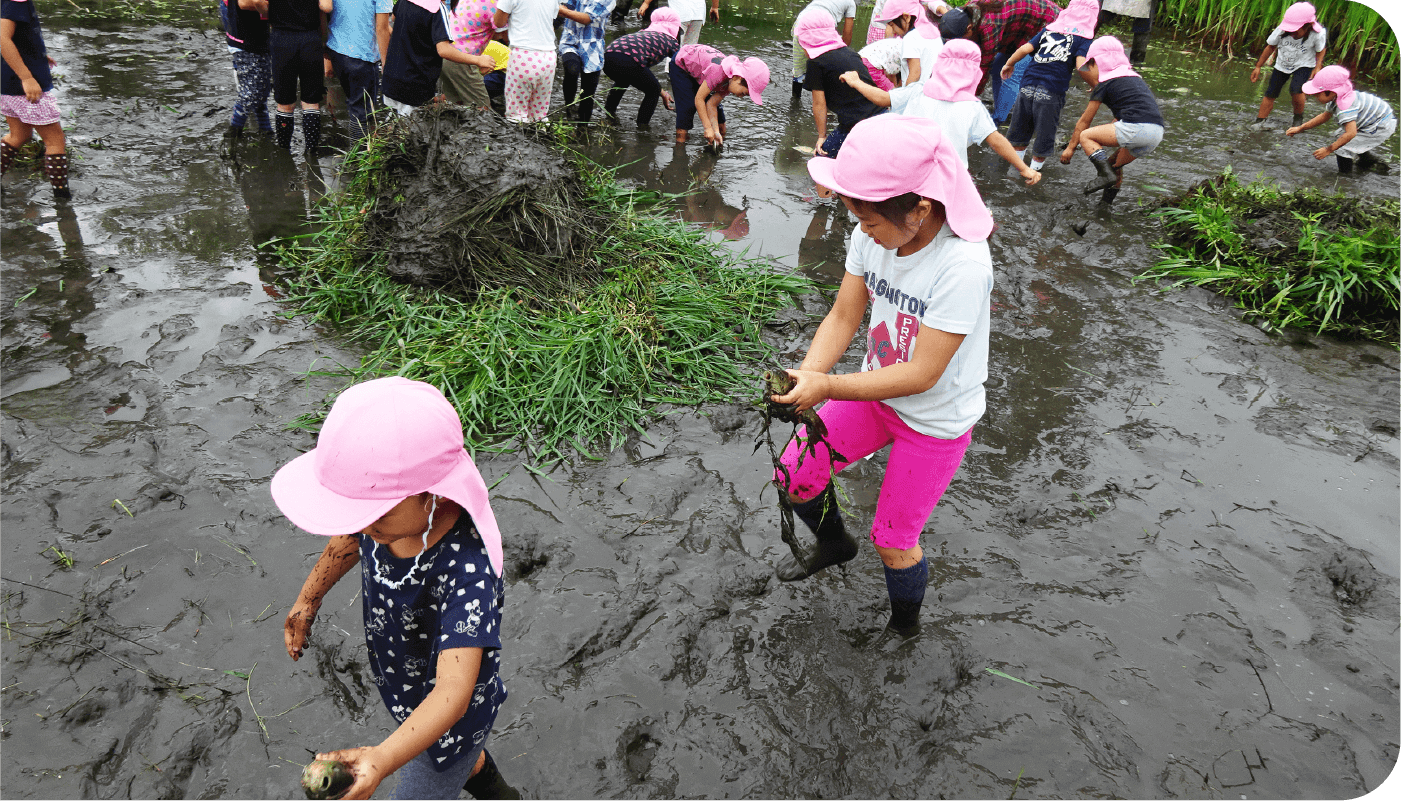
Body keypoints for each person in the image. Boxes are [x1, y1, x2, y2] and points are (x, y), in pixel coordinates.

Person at [776, 114, 995, 640]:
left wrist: (827, 387)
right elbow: (844, 315)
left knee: (894, 538)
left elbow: (921, 374)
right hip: (876, 394)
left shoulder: (963, 266)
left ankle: (905, 628)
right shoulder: (870, 234)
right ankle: (834, 545)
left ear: (919, 210)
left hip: (935, 420)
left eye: (870, 221)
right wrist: (809, 376)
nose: (863, 231)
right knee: (795, 472)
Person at [275, 377, 519, 801]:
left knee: (444, 762)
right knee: (465, 760)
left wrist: (383, 759)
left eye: (372, 515)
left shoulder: (468, 570)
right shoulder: (385, 516)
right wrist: (307, 601)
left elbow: (452, 691)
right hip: (405, 681)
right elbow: (348, 540)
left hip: (452, 715)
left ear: (435, 496)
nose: (363, 525)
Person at [839, 39, 1041, 185]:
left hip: (909, 167)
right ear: (974, 72)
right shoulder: (972, 107)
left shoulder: (917, 91)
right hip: (948, 176)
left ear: (939, 64)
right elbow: (996, 140)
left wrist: (857, 83)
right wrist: (1023, 168)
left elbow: (882, 98)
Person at [1060, 35, 1165, 203]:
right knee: (1114, 165)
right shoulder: (1133, 78)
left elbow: (1085, 121)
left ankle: (1104, 175)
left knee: (1086, 135)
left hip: (1136, 128)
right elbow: (1132, 110)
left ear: (1096, 63)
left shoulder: (1104, 84)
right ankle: (1105, 206)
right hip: (1156, 133)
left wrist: (1071, 148)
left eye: (1090, 67)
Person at [1001, 0, 1096, 172]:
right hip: (1051, 91)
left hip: (1027, 86)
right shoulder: (1083, 38)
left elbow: (1025, 48)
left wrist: (1009, 63)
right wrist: (1096, 84)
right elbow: (1081, 64)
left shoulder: (1048, 30)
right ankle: (1034, 173)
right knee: (1044, 137)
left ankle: (1014, 172)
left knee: (1019, 133)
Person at [1, 0, 68, 198]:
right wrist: (27, 77)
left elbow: (19, 36)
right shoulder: (16, 1)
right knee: (55, 140)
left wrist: (38, 55)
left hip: (8, 81)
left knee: (19, 136)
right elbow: (3, 39)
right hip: (24, 86)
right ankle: (63, 199)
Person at [382, 0, 492, 115]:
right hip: (414, 85)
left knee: (397, 122)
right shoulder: (437, 9)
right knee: (411, 127)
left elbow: (391, 21)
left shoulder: (405, 1)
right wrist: (478, 60)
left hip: (392, 78)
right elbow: (444, 50)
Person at [798, 8, 881, 158]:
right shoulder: (850, 52)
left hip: (856, 123)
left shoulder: (816, 63)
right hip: (881, 113)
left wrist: (822, 136)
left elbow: (819, 104)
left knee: (823, 156)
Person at [964, 0, 1060, 125]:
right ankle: (1000, 108)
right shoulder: (969, 10)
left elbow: (985, 64)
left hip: (1049, 24)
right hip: (1022, 26)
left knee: (1012, 74)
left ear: (969, 28)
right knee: (997, 68)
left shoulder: (989, 25)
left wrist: (971, 95)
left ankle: (997, 121)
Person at [1287, 64, 1394, 175]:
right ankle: (1368, 160)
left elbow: (1351, 133)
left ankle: (1345, 177)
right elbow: (1324, 116)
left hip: (1381, 125)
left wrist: (1328, 150)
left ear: (1332, 92)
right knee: (1340, 136)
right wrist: (1300, 128)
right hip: (1373, 120)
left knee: (1343, 148)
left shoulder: (1345, 106)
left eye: (1317, 94)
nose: (1315, 97)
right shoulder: (1336, 97)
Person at [267, 0, 334, 154]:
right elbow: (327, 7)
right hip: (310, 39)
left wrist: (271, 14)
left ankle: (284, 151)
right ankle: (311, 152)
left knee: (284, 103)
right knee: (311, 102)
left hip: (281, 39)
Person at [669, 42, 768, 146]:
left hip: (701, 70)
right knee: (688, 107)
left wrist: (715, 131)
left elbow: (712, 104)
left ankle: (716, 141)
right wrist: (707, 128)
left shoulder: (731, 82)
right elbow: (699, 99)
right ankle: (680, 145)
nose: (741, 97)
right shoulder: (718, 72)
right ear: (738, 77)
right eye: (743, 93)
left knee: (719, 112)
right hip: (681, 64)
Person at [1249, 1, 1326, 130]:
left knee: (1296, 90)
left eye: (1296, 31)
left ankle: (1298, 119)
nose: (1292, 33)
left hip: (1304, 64)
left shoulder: (1317, 34)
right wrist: (1258, 66)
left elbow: (1321, 50)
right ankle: (1260, 121)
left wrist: (1317, 67)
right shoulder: (1281, 30)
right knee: (1271, 92)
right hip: (1282, 64)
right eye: (1290, 30)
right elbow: (1270, 47)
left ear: (1308, 26)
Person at [326, 0, 392, 145]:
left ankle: (361, 149)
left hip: (337, 50)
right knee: (362, 112)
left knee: (355, 105)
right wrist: (386, 64)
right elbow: (381, 29)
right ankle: (357, 158)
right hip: (362, 55)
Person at [602, 7, 681, 127]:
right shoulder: (671, 41)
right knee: (653, 90)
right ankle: (642, 128)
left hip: (607, 58)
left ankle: (609, 112)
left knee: (623, 80)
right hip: (629, 61)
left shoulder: (643, 33)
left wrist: (663, 92)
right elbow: (681, 66)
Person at [493, 0, 561, 123]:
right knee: (539, 115)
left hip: (523, 56)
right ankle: (539, 139)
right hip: (549, 56)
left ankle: (519, 140)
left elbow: (498, 22)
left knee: (516, 115)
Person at [219, 0, 274, 141]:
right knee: (250, 91)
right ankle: (232, 133)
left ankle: (265, 129)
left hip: (257, 37)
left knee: (262, 86)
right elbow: (246, 3)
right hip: (246, 40)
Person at [559, 0, 615, 124]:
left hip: (593, 46)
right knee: (571, 70)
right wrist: (562, 10)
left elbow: (586, 18)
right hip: (570, 40)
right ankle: (569, 106)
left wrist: (562, 10)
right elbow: (565, 5)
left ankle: (583, 130)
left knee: (588, 93)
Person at [442, 1, 504, 112]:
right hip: (461, 60)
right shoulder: (497, 5)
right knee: (482, 110)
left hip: (446, 54)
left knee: (455, 107)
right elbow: (505, 35)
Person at [791, 0, 857, 98]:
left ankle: (795, 103)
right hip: (822, 27)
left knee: (798, 68)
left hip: (801, 24)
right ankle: (825, 106)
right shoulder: (851, 3)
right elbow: (848, 31)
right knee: (825, 66)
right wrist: (842, 53)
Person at [874, 0, 942, 86]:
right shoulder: (935, 32)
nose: (893, 30)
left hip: (916, 95)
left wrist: (904, 96)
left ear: (906, 17)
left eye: (892, 25)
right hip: (932, 91)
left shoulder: (911, 38)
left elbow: (915, 74)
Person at [638, 0, 716, 45]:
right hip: (698, 13)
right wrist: (714, 7)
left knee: (674, 48)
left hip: (678, 15)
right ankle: (686, 71)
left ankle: (672, 71)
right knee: (690, 48)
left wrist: (646, 3)